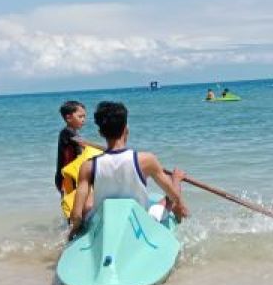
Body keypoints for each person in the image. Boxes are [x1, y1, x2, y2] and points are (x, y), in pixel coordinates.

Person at [67, 101, 188, 237]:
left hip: (103, 222)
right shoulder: (146, 160)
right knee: (168, 199)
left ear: (100, 133)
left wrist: (74, 232)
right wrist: (178, 198)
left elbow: (76, 215)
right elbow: (173, 196)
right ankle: (177, 178)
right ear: (126, 129)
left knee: (88, 198)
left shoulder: (88, 166)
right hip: (139, 220)